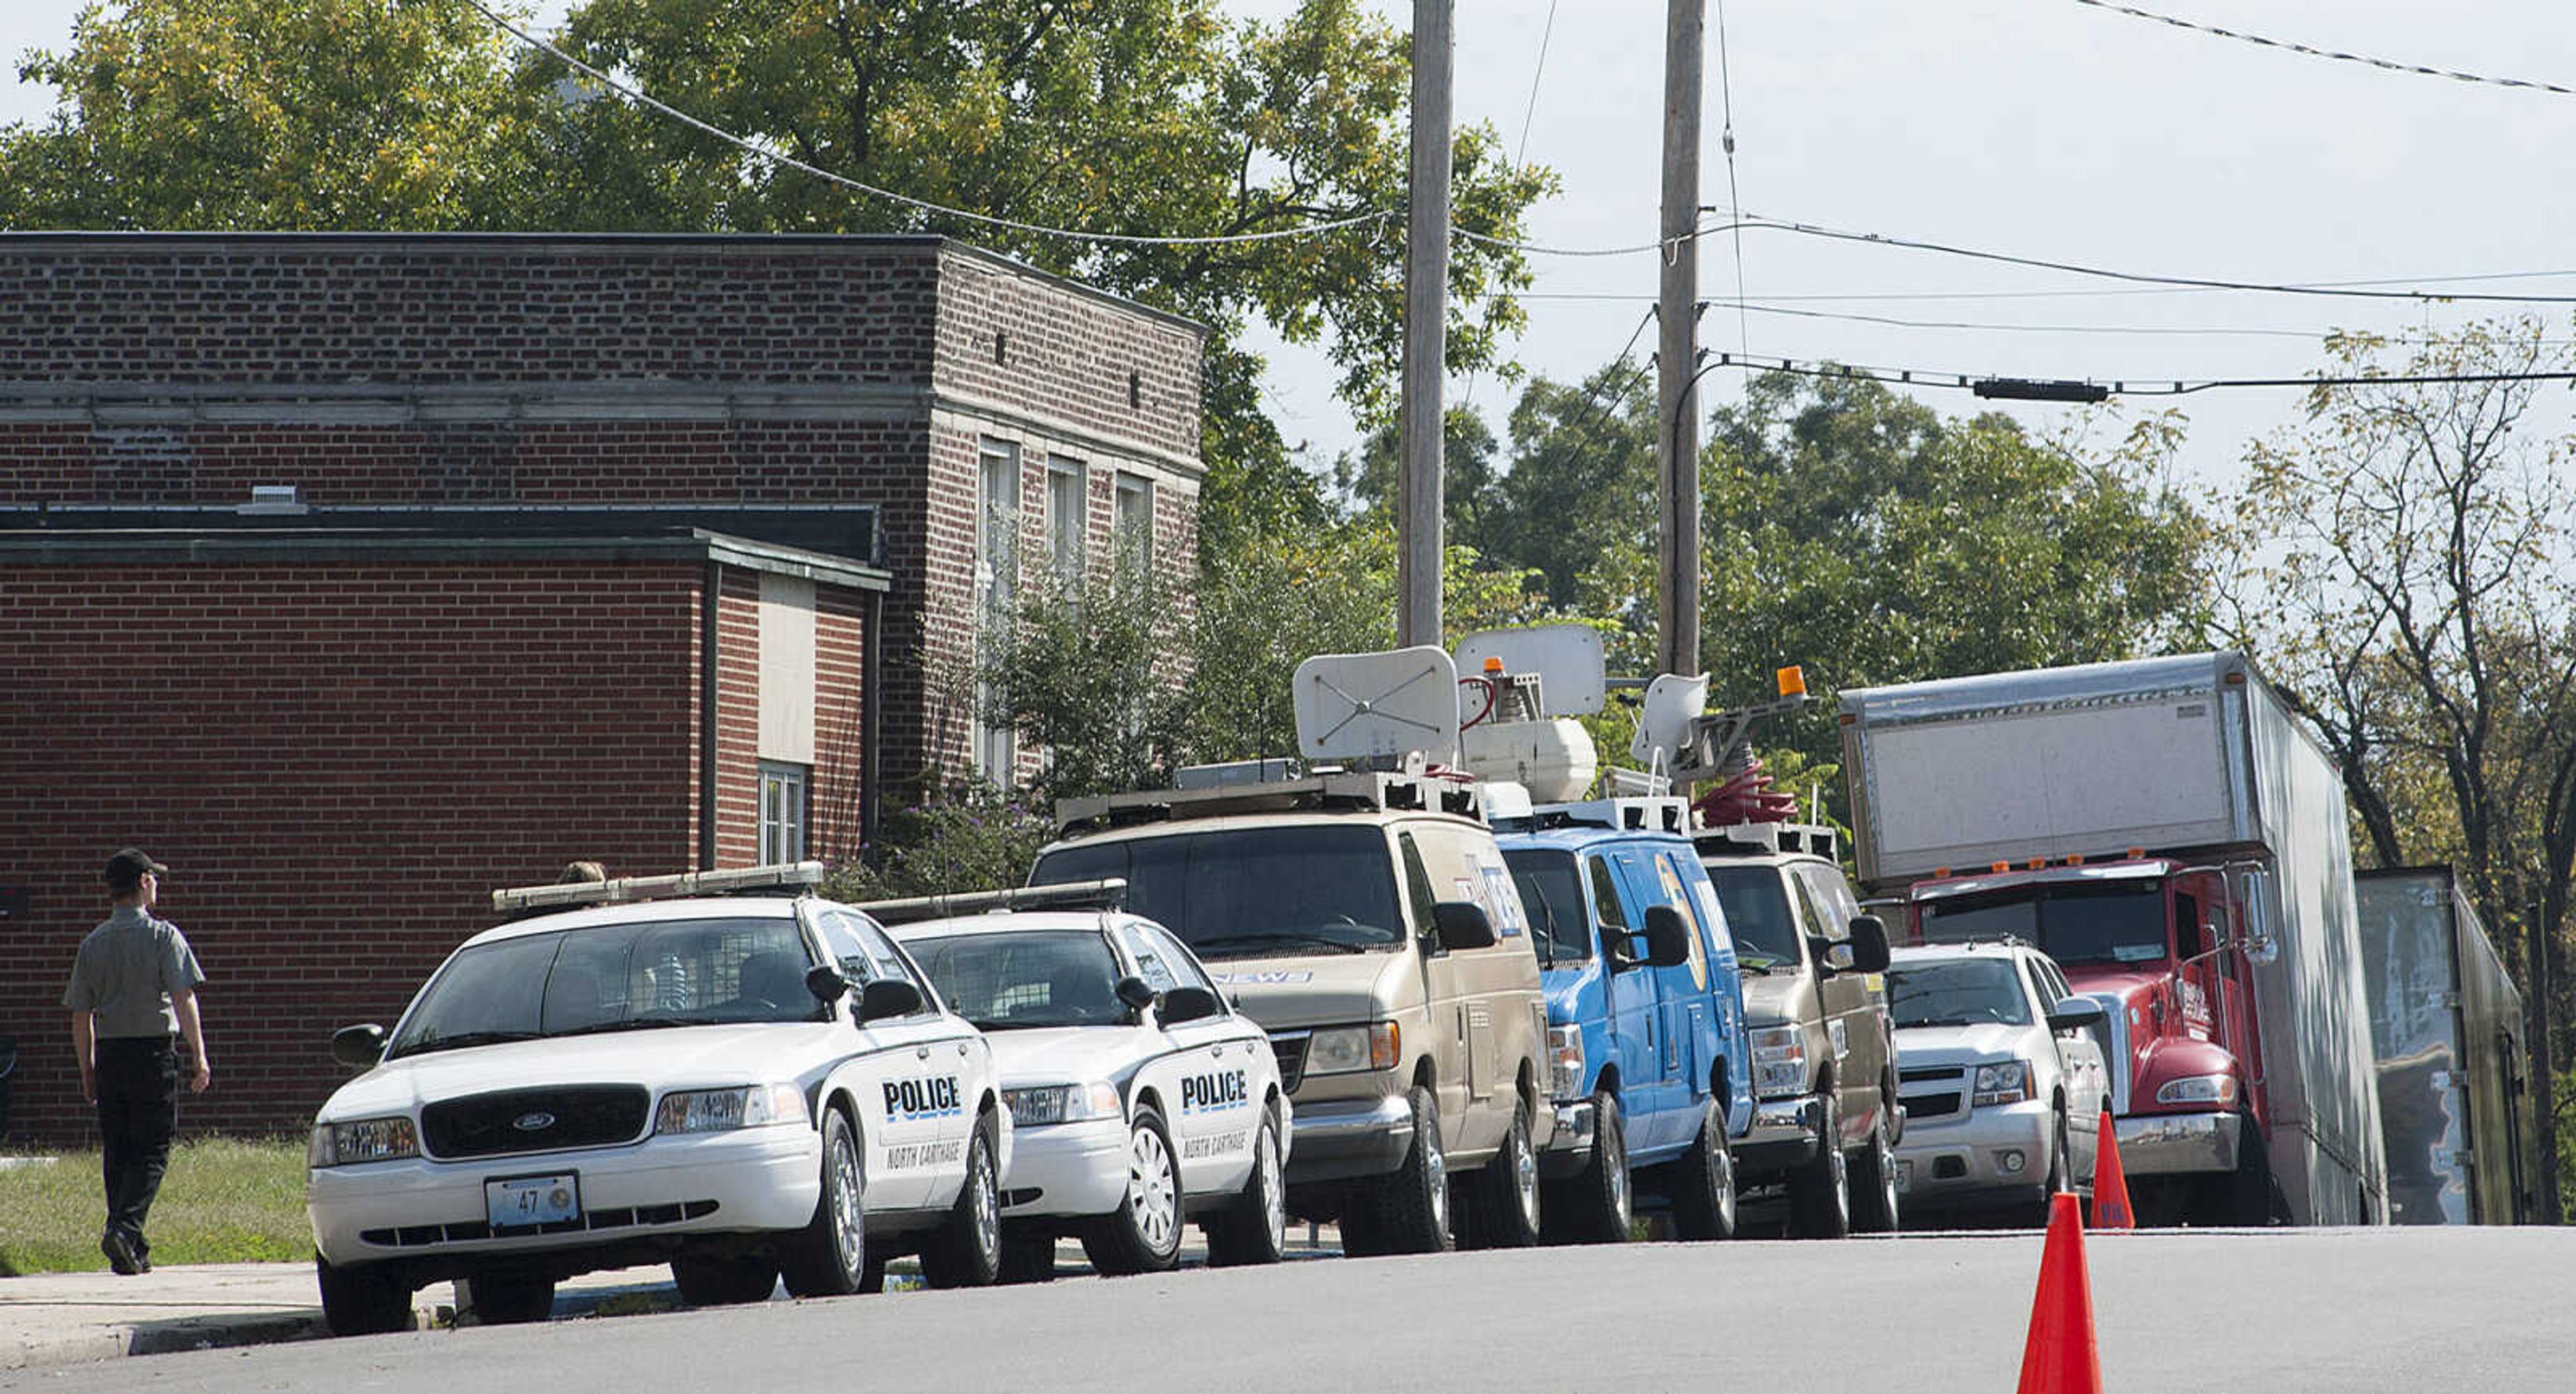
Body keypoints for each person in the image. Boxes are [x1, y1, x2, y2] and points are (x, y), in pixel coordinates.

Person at [62, 848, 210, 1276]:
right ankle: (124, 1230)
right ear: (144, 882)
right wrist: (199, 1056)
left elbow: (80, 1015)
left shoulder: (92, 944)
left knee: (119, 1150)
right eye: (155, 879)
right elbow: (184, 998)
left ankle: (131, 1247)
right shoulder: (164, 937)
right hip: (152, 1055)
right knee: (153, 1150)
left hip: (110, 1055)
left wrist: (88, 1071)